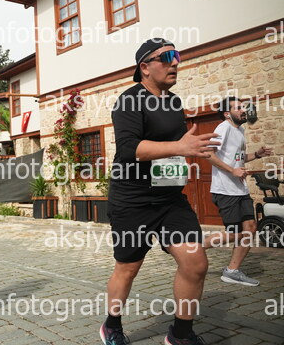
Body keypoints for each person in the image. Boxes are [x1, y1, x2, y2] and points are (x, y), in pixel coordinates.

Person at [101, 39, 220, 345]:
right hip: (132, 200)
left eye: (177, 55)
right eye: (167, 57)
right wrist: (180, 146)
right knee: (128, 268)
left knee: (196, 262)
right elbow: (130, 149)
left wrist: (203, 155)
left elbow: (183, 146)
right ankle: (111, 325)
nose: (175, 62)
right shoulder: (129, 101)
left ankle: (180, 335)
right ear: (145, 67)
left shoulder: (173, 103)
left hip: (169, 199)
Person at [203, 97, 272, 286]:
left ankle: (232, 271)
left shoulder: (240, 130)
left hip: (240, 189)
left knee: (250, 229)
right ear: (227, 113)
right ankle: (196, 247)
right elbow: (208, 153)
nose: (244, 110)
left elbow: (238, 158)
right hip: (225, 190)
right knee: (236, 233)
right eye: (239, 108)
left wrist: (256, 155)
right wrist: (232, 171)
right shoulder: (223, 128)